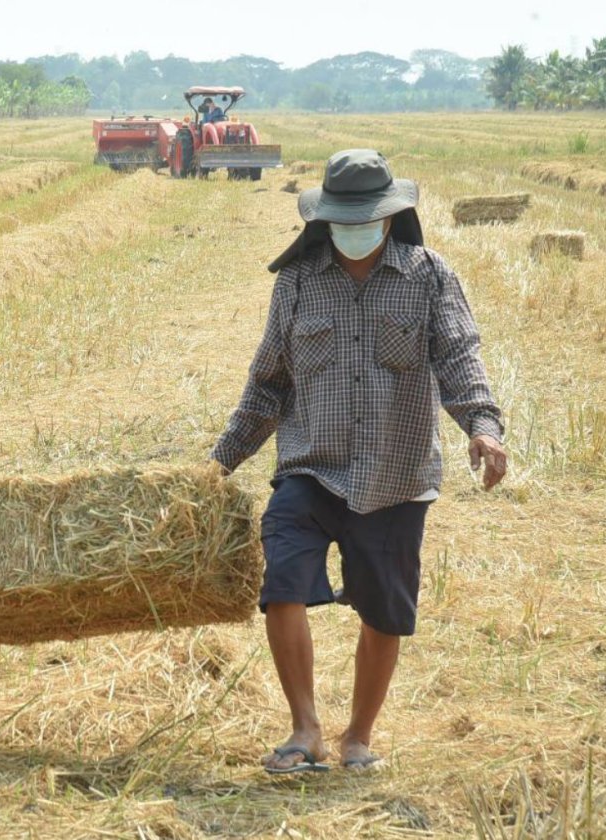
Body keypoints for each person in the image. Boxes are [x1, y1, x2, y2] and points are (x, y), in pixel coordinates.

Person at [209, 149, 508, 775]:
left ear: (391, 216)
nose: (352, 229)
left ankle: (358, 738)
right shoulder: (297, 282)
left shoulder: (430, 276)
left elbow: (459, 357)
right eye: (341, 219)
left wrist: (482, 427)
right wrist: (220, 463)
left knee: (383, 610)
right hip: (311, 467)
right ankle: (304, 730)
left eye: (362, 217)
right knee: (281, 583)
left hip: (395, 478)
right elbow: (269, 385)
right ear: (324, 221)